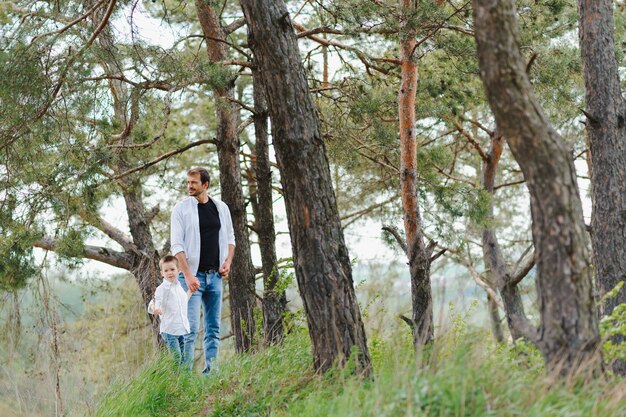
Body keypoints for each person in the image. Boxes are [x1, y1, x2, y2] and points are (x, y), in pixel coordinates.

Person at [170, 167, 235, 374]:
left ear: (205, 185)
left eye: (193, 183)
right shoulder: (180, 209)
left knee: (213, 329)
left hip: (215, 276)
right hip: (191, 278)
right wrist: (187, 275)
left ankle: (211, 375)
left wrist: (228, 263)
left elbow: (231, 239)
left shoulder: (221, 208)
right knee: (189, 329)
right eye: (188, 182)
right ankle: (185, 377)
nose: (189, 186)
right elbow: (177, 245)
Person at [148, 255, 192, 366]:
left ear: (178, 270)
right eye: (166, 270)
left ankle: (181, 380)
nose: (169, 273)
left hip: (181, 328)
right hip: (169, 330)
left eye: (172, 269)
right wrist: (156, 309)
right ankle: (174, 380)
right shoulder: (162, 289)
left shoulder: (179, 287)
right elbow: (154, 302)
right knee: (176, 357)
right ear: (162, 273)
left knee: (183, 357)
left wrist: (190, 292)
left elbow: (183, 303)